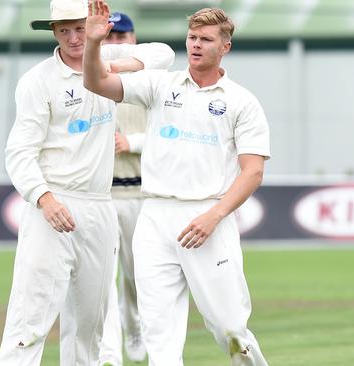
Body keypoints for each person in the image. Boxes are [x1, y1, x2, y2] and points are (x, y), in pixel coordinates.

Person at [83, 1, 270, 365]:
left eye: (206, 39)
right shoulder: (161, 84)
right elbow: (95, 81)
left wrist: (213, 217)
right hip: (154, 217)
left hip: (208, 218)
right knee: (161, 338)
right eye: (192, 37)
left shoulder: (241, 102)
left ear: (225, 46)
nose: (196, 44)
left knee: (230, 329)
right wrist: (92, 43)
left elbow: (253, 172)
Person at [0, 0, 174, 364]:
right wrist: (44, 199)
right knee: (29, 322)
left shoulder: (104, 60)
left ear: (94, 27)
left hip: (100, 206)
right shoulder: (37, 81)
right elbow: (19, 152)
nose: (74, 37)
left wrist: (104, 58)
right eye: (64, 30)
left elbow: (165, 53)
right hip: (54, 206)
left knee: (90, 325)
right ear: (53, 32)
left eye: (80, 28)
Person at [97, 11, 146, 366]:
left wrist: (132, 141)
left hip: (141, 194)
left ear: (133, 40)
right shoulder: (89, 78)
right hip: (102, 195)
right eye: (110, 37)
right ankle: (108, 352)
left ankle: (136, 328)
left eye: (122, 37)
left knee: (137, 276)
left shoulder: (152, 80)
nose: (115, 44)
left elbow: (169, 134)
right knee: (103, 279)